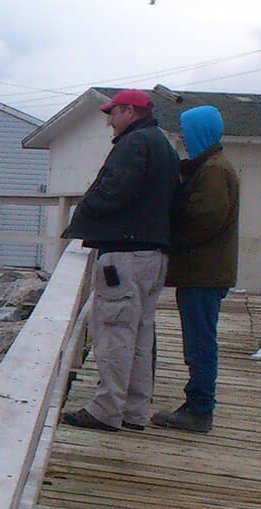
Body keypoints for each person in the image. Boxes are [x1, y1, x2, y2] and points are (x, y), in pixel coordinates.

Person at [60, 87, 180, 431]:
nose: (110, 121)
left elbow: (114, 191)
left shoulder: (133, 144)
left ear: (130, 111)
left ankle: (107, 409)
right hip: (154, 254)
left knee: (114, 331)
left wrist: (86, 209)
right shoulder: (163, 145)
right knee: (140, 334)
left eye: (113, 113)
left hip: (124, 256)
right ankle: (134, 410)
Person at [155, 104, 239, 433]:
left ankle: (200, 408)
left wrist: (169, 238)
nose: (182, 137)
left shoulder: (214, 170)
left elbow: (207, 218)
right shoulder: (209, 167)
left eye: (186, 131)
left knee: (200, 342)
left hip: (204, 274)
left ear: (200, 131)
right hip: (204, 273)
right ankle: (196, 404)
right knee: (200, 339)